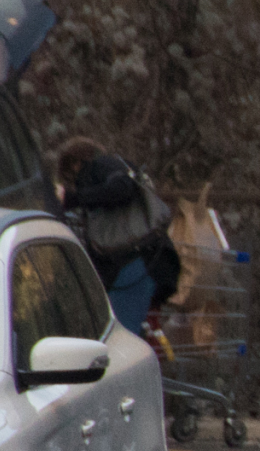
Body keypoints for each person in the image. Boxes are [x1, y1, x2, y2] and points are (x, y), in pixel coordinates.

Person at [57, 137, 179, 334]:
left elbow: (121, 189)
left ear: (76, 164)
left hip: (136, 261)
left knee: (122, 337)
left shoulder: (101, 165)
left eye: (71, 178)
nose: (75, 185)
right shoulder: (113, 167)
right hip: (147, 261)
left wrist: (73, 198)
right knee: (131, 334)